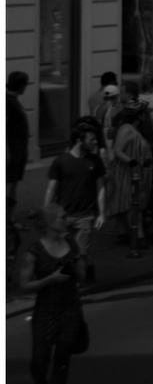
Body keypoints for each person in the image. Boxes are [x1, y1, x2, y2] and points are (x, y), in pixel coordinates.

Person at [19, 204, 87, 384]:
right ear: (49, 223)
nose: (67, 219)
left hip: (70, 309)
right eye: (62, 217)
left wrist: (77, 259)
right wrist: (50, 279)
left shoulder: (71, 244)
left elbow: (82, 277)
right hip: (46, 310)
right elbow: (24, 285)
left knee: (62, 360)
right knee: (39, 364)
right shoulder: (35, 251)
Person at [42, 121, 106, 283]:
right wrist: (46, 211)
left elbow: (101, 189)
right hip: (63, 216)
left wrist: (102, 213)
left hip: (85, 215)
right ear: (79, 140)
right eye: (91, 139)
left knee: (77, 253)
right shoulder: (61, 161)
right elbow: (51, 189)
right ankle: (89, 269)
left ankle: (73, 285)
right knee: (66, 251)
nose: (96, 142)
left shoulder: (95, 161)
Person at [106, 96, 153, 258]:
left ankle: (122, 234)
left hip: (134, 171)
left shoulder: (134, 129)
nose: (146, 116)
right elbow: (118, 150)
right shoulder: (127, 128)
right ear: (139, 115)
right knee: (130, 203)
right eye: (144, 113)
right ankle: (138, 236)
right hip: (126, 172)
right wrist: (132, 162)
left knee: (126, 201)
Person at [8, 71, 30, 266]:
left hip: (16, 153)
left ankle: (10, 217)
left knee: (13, 185)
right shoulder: (8, 102)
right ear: (20, 85)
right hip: (12, 154)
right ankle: (9, 218)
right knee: (11, 186)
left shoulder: (10, 101)